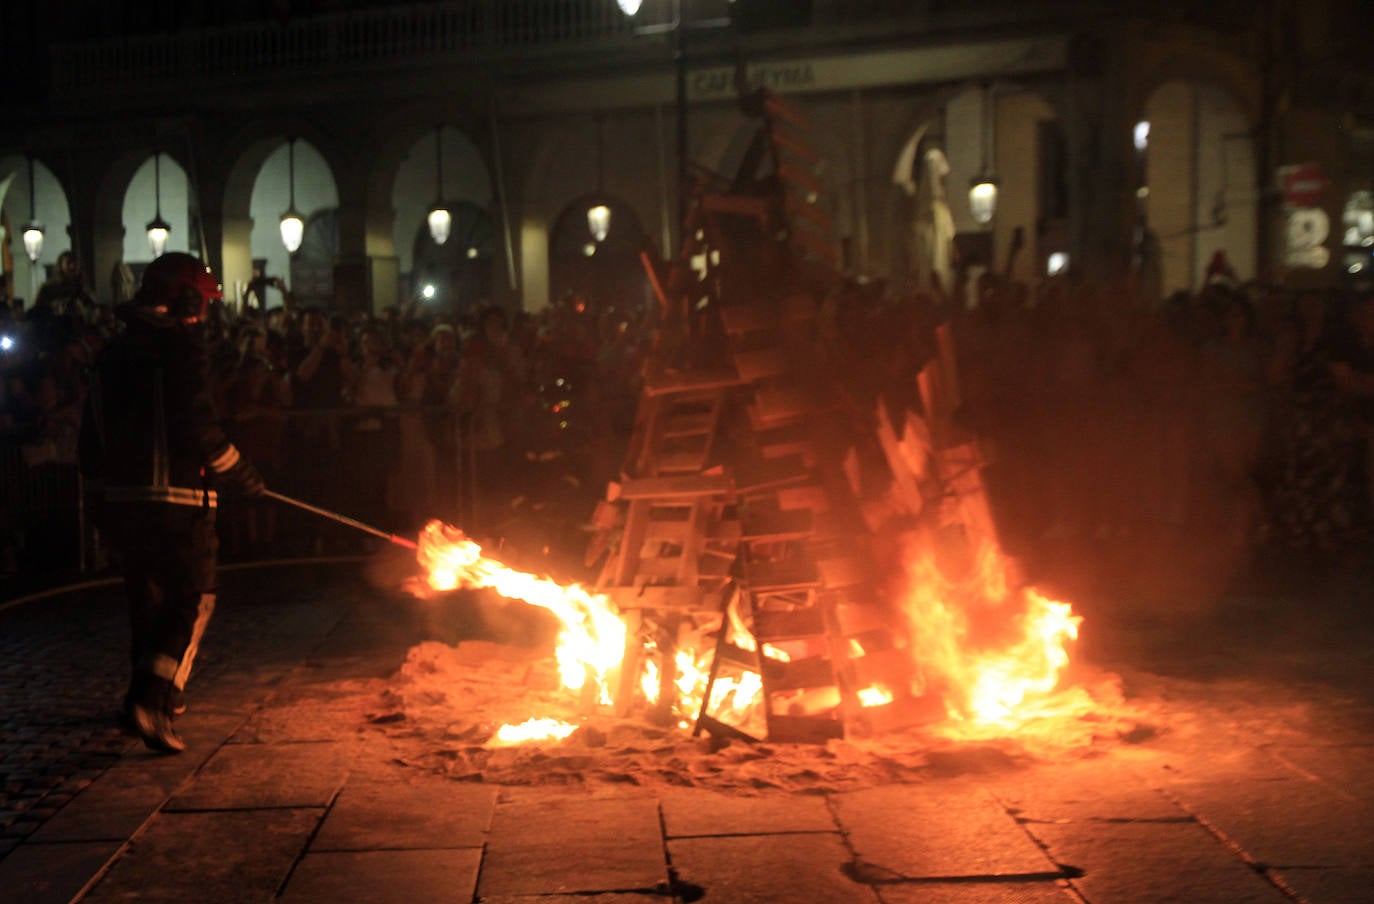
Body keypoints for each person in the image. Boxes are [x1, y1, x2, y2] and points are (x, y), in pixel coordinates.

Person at [78, 252, 265, 753]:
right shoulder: (179, 351)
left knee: (148, 601)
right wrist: (240, 473)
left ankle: (158, 699)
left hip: (122, 503)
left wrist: (99, 498)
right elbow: (198, 426)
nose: (203, 313)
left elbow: (89, 440)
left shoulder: (110, 355)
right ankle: (150, 699)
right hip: (176, 499)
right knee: (190, 597)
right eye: (201, 301)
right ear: (181, 299)